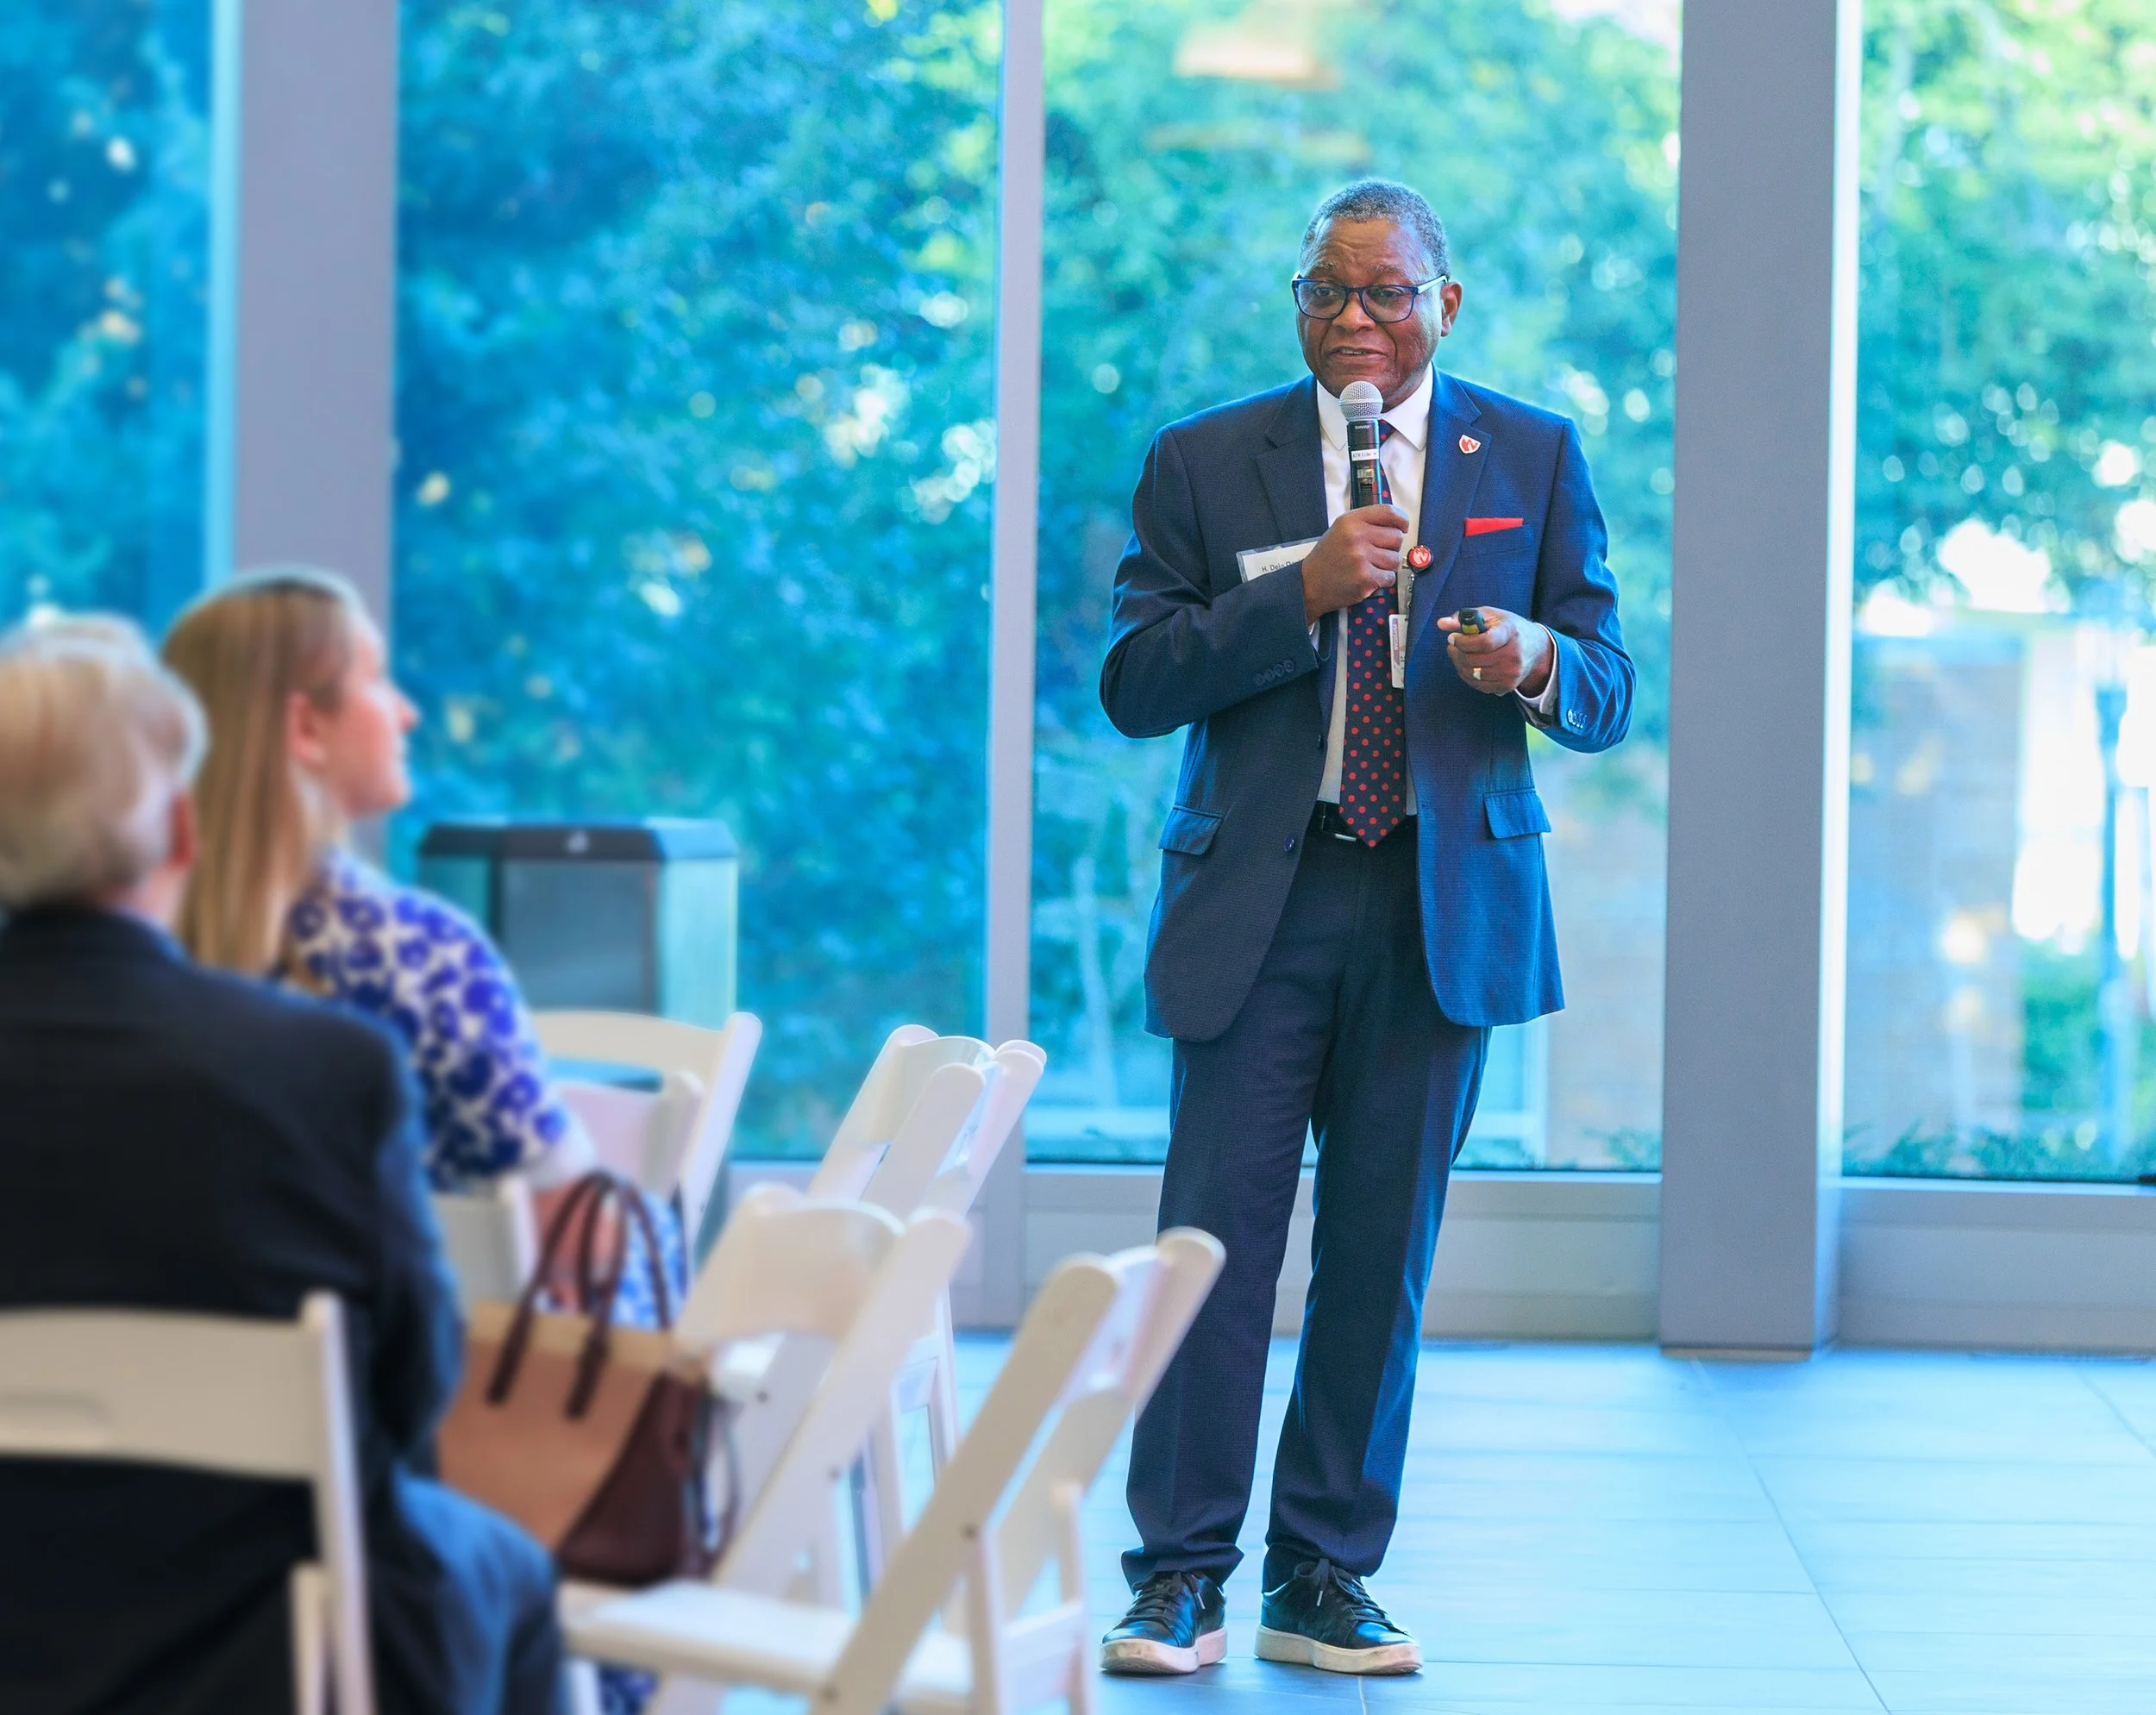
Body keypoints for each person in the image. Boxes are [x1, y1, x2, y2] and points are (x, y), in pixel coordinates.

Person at [1097, 179, 1632, 1678]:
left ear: (1442, 305)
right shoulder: (1206, 458)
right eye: (1326, 291)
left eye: (1385, 292)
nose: (1354, 320)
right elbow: (1136, 680)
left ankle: (1321, 1571)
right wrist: (1303, 595)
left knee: (1381, 1254)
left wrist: (1534, 657)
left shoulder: (1530, 453)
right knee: (1210, 1245)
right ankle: (1177, 1576)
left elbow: (1606, 686)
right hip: (1258, 904)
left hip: (1437, 906)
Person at [0, 618, 567, 1715]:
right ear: (180, 828)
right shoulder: (323, 1069)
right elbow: (412, 1385)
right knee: (511, 1573)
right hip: (260, 1638)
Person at [160, 567, 685, 1326]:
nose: (406, 712)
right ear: (305, 728)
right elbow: (580, 1237)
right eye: (376, 679)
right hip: (405, 1391)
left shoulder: (120, 960)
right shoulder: (419, 958)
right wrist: (651, 1230)